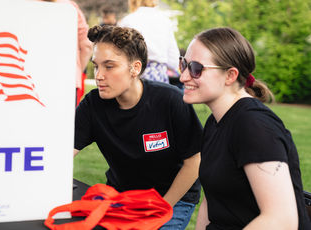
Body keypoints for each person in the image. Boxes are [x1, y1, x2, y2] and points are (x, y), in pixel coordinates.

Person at [179, 27, 311, 229]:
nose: (183, 77)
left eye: (196, 68)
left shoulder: (254, 126)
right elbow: (213, 199)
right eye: (184, 64)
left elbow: (281, 219)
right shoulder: (215, 122)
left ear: (230, 75)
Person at [74, 25, 203, 229]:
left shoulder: (170, 101)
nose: (98, 75)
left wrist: (162, 208)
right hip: (122, 196)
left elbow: (194, 162)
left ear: (135, 68)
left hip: (172, 198)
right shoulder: (93, 104)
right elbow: (63, 154)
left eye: (109, 66)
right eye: (96, 66)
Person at [40, 0, 92, 105]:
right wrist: (76, 70)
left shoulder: (23, 6)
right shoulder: (70, 7)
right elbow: (87, 46)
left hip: (32, 80)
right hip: (68, 81)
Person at [118, 0, 179, 84]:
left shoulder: (127, 21)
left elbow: (118, 54)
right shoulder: (165, 21)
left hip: (134, 76)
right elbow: (174, 61)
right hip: (159, 78)